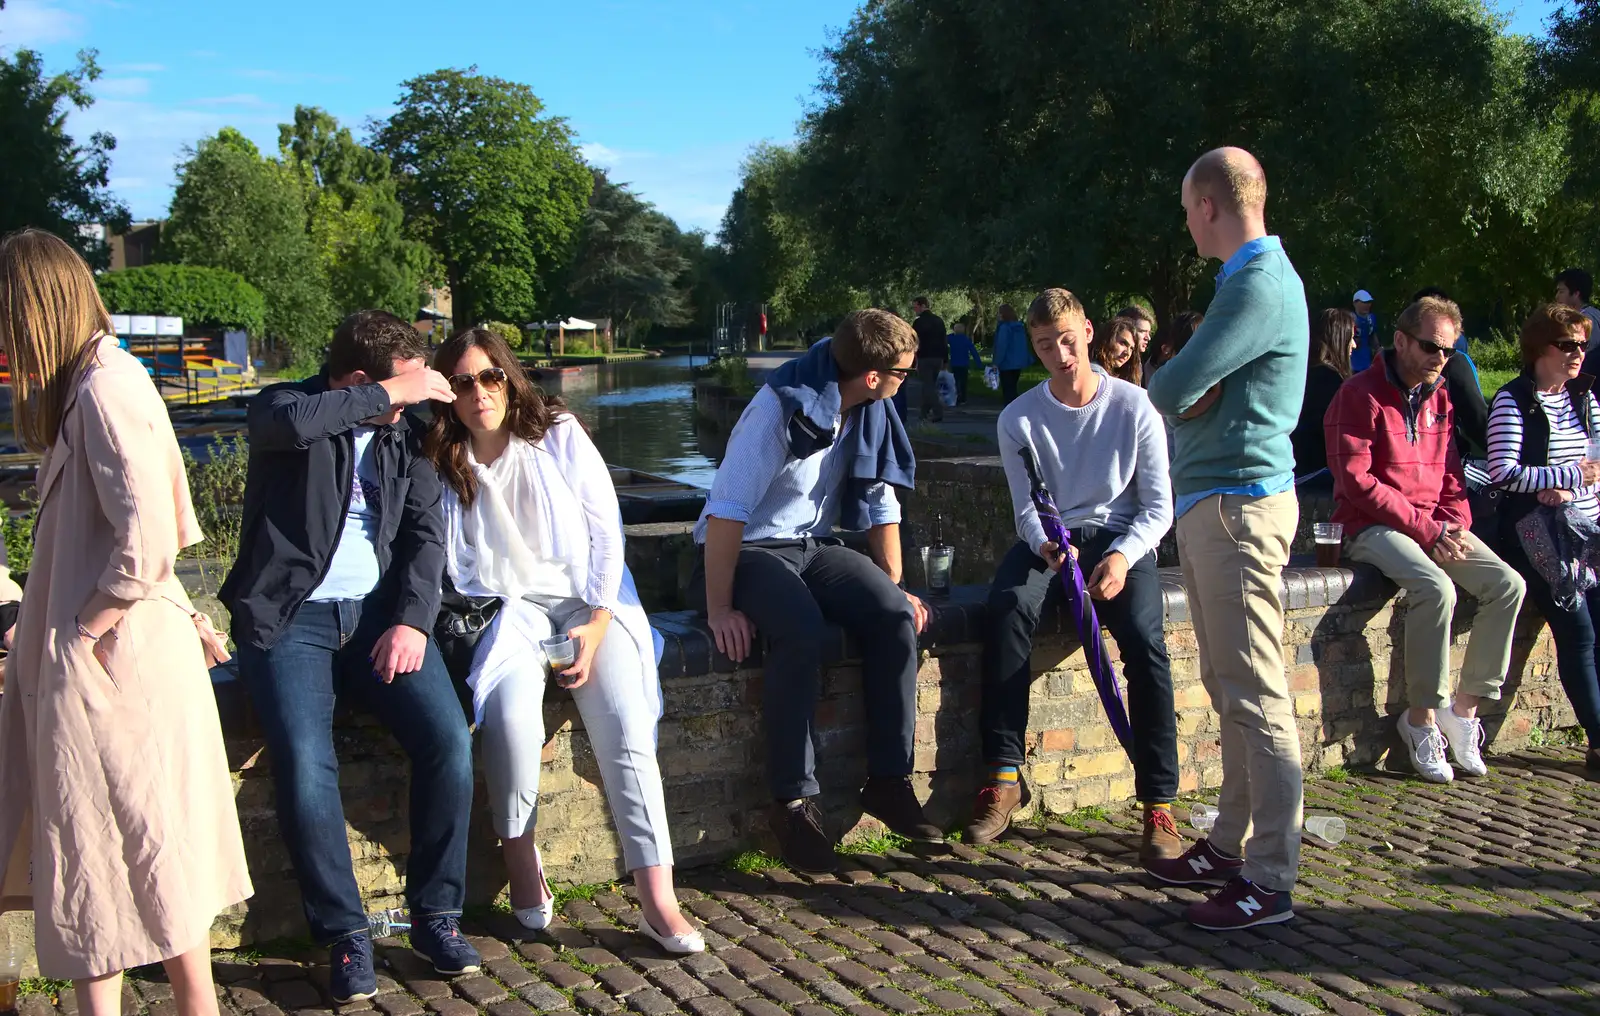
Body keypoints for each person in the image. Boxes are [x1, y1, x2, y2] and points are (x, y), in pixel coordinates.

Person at [0, 228, 251, 1015]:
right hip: (116, 657)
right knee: (126, 845)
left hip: (112, 664)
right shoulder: (98, 385)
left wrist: (81, 628)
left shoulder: (107, 389)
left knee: (100, 846)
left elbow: (146, 541)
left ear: (34, 310)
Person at [220, 310, 480, 1001]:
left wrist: (413, 623)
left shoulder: (409, 435)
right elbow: (291, 426)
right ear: (364, 383)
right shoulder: (285, 407)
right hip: (288, 621)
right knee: (306, 765)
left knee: (449, 741)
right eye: (405, 389)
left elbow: (426, 538)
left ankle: (435, 916)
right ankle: (342, 934)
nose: (416, 403)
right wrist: (386, 396)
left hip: (376, 621)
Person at [425, 328, 703, 952]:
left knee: (627, 727)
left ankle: (656, 895)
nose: (479, 393)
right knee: (509, 718)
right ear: (447, 393)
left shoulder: (556, 433)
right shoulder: (442, 458)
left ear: (508, 377)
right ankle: (520, 856)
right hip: (507, 608)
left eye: (490, 376)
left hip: (591, 597)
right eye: (463, 382)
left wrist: (600, 620)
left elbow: (607, 529)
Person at [687, 309, 938, 872]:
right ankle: (793, 803)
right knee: (800, 629)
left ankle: (890, 782)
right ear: (872, 377)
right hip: (747, 547)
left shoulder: (871, 412)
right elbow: (727, 510)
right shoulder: (779, 409)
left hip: (813, 544)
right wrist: (720, 605)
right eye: (902, 373)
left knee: (893, 617)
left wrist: (894, 587)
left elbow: (879, 500)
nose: (906, 381)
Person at [1145, 147, 1307, 930]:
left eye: (1185, 206)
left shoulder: (1256, 285)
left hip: (1237, 510)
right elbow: (1190, 388)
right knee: (1228, 684)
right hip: (1222, 504)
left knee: (1257, 695)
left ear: (1208, 204)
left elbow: (1168, 388)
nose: (1184, 220)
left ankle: (1271, 877)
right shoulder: (1248, 282)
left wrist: (1187, 384)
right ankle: (1231, 842)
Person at [967, 288, 1179, 866]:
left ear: (1088, 331)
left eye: (1066, 339)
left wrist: (1124, 556)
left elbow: (1159, 507)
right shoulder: (1019, 418)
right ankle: (1004, 774)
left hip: (1120, 538)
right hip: (1051, 538)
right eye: (1043, 345)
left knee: (1144, 640)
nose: (1059, 353)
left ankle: (1159, 802)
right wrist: (1045, 546)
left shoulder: (1135, 407)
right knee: (1007, 607)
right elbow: (1024, 508)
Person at [1326, 296, 1525, 783]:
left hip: (1433, 522)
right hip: (1368, 525)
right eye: (1432, 347)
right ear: (1400, 341)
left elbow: (1452, 470)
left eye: (1449, 351)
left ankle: (1465, 710)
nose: (1441, 359)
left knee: (1508, 586)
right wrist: (1427, 530)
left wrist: (1454, 522)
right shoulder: (1358, 393)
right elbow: (1357, 483)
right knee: (1434, 588)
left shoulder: (1440, 396)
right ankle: (1421, 720)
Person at [1486, 304, 1600, 771]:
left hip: (1588, 531)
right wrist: (1562, 475)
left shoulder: (1585, 399)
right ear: (1539, 349)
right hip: (1539, 536)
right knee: (1578, 635)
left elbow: (1597, 464)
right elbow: (1502, 472)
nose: (1577, 354)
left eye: (1582, 344)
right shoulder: (1514, 400)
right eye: (1567, 344)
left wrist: (1574, 482)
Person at [1411, 287, 1488, 474]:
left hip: (1444, 470)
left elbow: (1477, 419)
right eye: (1428, 346)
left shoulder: (1456, 363)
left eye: (1447, 351)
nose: (1439, 357)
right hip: (1435, 471)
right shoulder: (1456, 363)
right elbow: (1477, 420)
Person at [1291, 308, 1356, 481]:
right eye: (1350, 339)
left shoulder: (1301, 372)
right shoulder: (1330, 381)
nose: (1354, 345)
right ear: (1338, 339)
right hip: (1317, 473)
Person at [911, 297, 949, 422]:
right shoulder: (938, 321)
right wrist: (945, 358)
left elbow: (914, 341)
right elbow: (944, 340)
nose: (914, 309)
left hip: (924, 357)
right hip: (938, 357)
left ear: (922, 306)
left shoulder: (919, 322)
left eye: (915, 306)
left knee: (928, 385)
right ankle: (924, 412)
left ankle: (938, 411)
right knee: (929, 384)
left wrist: (913, 358)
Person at [992, 303, 1032, 405]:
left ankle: (1009, 412)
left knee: (1007, 389)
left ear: (1002, 314)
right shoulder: (1020, 327)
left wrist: (996, 362)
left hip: (1006, 363)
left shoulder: (1004, 328)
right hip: (1018, 362)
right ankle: (1015, 408)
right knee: (1013, 387)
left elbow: (1002, 346)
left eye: (999, 313)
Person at [1555, 268, 1600, 351]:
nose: (1557, 296)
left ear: (1576, 294)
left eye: (1561, 291)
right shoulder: (1596, 314)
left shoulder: (1583, 320)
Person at [1092, 317, 1142, 385]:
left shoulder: (1124, 378)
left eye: (1131, 348)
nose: (1127, 353)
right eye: (1123, 343)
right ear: (1107, 340)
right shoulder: (1094, 373)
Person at [946, 320, 983, 404]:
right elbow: (973, 351)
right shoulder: (966, 340)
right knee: (963, 381)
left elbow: (945, 338)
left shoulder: (952, 338)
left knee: (955, 380)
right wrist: (979, 363)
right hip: (964, 364)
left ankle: (956, 396)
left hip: (954, 363)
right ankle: (963, 398)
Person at [1351, 289, 1378, 373]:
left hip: (1367, 362)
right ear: (1355, 303)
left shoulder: (1371, 318)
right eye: (1364, 302)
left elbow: (1373, 335)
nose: (1367, 305)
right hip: (1352, 363)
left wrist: (1378, 349)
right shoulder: (1350, 318)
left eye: (1369, 302)